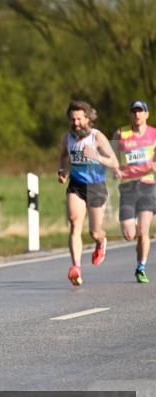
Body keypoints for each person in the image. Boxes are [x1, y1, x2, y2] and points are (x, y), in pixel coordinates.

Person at [58, 101, 119, 285]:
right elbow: (63, 156)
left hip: (96, 186)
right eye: (72, 119)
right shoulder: (67, 138)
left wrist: (96, 156)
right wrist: (62, 171)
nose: (76, 123)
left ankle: (101, 241)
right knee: (75, 223)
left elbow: (114, 162)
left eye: (79, 119)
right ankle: (76, 267)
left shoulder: (97, 137)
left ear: (88, 118)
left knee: (94, 231)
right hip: (76, 185)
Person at [111, 100, 156, 283]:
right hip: (128, 187)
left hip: (147, 185)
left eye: (140, 111)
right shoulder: (121, 133)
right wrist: (115, 169)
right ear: (130, 114)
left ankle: (141, 267)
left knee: (143, 231)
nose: (137, 115)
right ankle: (134, 232)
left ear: (146, 114)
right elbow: (111, 156)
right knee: (130, 234)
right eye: (134, 111)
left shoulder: (154, 134)